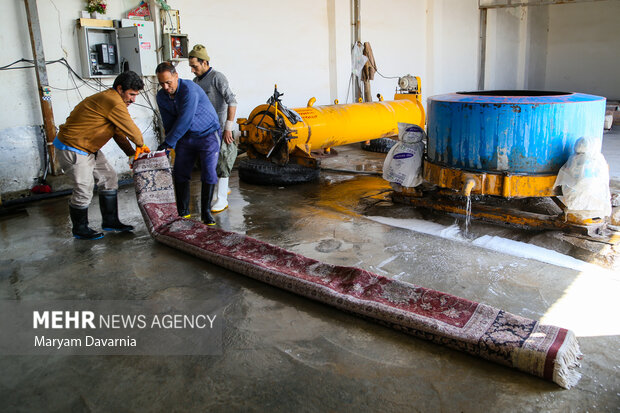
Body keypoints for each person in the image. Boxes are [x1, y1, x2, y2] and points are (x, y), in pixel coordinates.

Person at [55, 70, 146, 240]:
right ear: (120, 89)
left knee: (109, 177)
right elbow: (133, 132)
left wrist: (132, 154)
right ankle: (80, 229)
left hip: (90, 149)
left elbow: (119, 133)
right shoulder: (113, 101)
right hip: (73, 148)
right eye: (131, 94)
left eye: (136, 95)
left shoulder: (112, 103)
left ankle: (110, 221)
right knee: (84, 189)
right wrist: (142, 145)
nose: (133, 99)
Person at [155, 61, 221, 226]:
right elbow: (168, 122)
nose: (165, 86)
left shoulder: (189, 89)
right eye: (161, 83)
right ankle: (183, 211)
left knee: (208, 171)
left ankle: (206, 212)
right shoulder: (161, 96)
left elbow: (185, 119)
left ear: (176, 76)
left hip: (208, 134)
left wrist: (168, 142)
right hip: (186, 137)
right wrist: (168, 144)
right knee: (180, 172)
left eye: (168, 82)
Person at [188, 44, 237, 213]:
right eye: (191, 67)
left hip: (221, 128)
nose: (193, 70)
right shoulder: (195, 82)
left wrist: (228, 128)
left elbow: (232, 101)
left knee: (223, 162)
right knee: (210, 164)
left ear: (204, 62)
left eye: (195, 66)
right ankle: (223, 188)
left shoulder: (217, 77)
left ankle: (221, 198)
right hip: (204, 130)